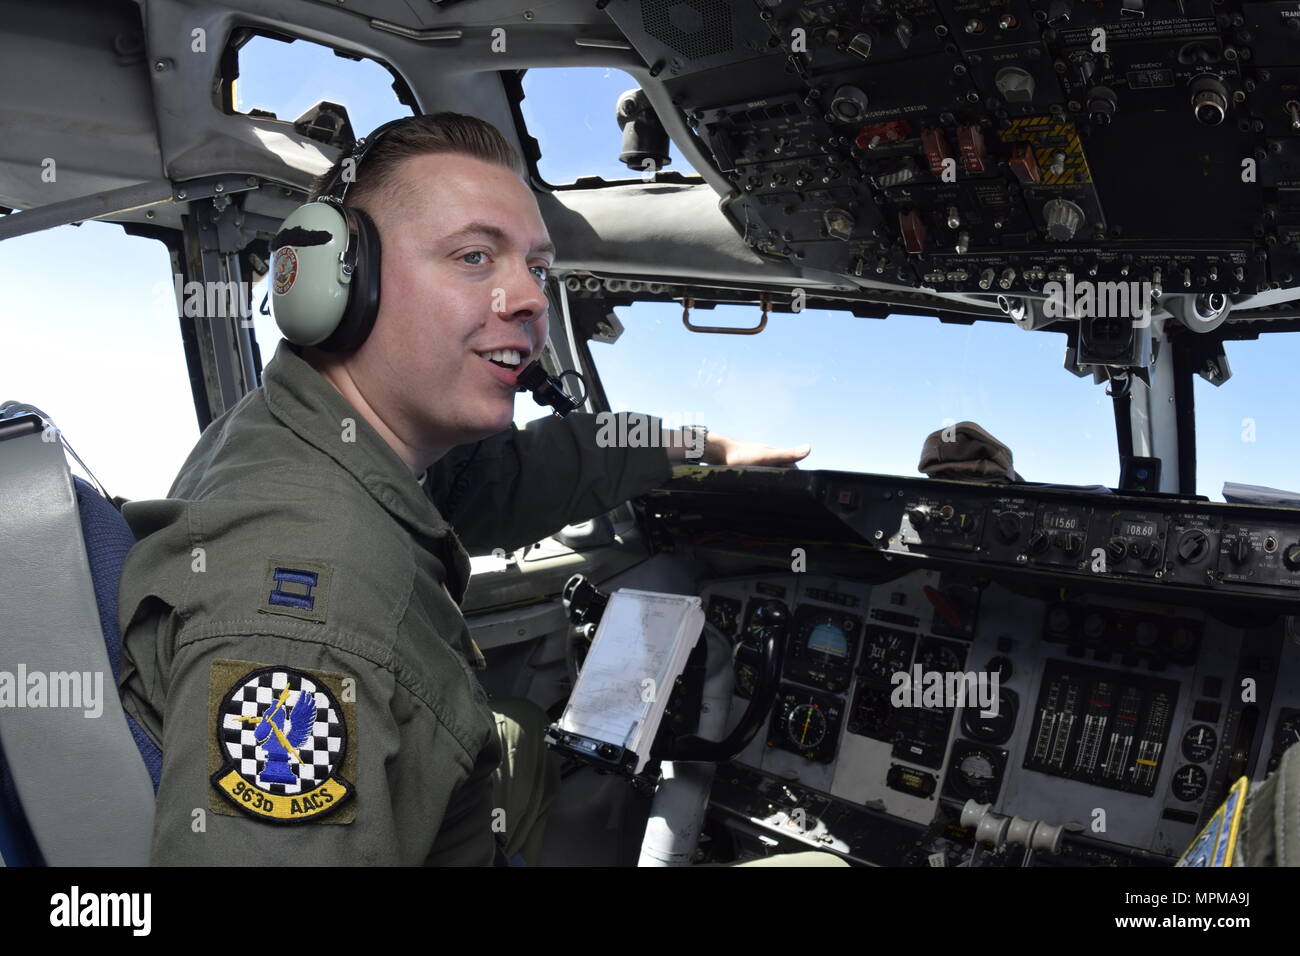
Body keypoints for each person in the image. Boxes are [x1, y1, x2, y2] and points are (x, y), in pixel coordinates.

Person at [116, 112, 810, 865]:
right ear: (332, 282)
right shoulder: (312, 614)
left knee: (512, 729)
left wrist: (703, 447)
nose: (531, 298)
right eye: (476, 256)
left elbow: (523, 474)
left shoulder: (312, 435)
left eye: (537, 269)